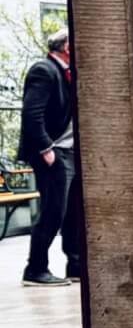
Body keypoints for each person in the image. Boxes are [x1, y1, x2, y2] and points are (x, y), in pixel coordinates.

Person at [16, 29, 76, 286]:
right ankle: (35, 269)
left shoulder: (69, 73)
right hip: (53, 153)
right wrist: (45, 149)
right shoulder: (44, 70)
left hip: (71, 152)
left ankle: (76, 265)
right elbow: (32, 114)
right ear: (66, 46)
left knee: (74, 211)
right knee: (54, 210)